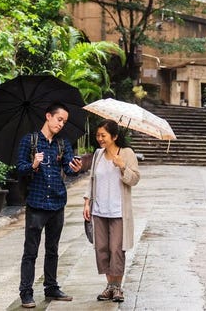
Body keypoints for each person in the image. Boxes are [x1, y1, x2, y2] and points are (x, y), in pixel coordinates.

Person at [16, 104, 82, 308]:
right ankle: (26, 292)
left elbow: (68, 169)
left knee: (52, 249)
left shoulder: (63, 144)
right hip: (36, 203)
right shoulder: (30, 141)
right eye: (59, 119)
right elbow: (20, 169)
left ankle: (51, 287)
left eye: (64, 122)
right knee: (31, 251)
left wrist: (75, 168)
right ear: (48, 116)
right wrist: (33, 165)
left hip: (57, 202)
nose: (61, 124)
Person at [82, 120, 140, 303]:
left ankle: (117, 287)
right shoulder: (98, 154)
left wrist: (122, 166)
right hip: (99, 211)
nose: (100, 139)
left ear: (114, 136)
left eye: (103, 135)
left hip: (118, 212)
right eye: (98, 135)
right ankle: (109, 286)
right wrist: (87, 202)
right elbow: (92, 180)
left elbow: (135, 179)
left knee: (116, 249)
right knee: (102, 249)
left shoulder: (127, 153)